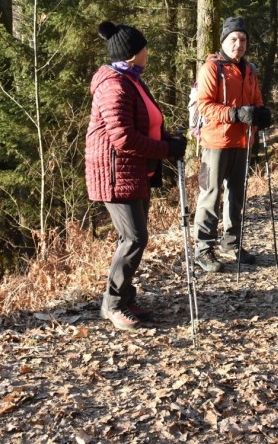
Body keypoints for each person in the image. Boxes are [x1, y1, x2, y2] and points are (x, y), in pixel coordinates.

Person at [85, 21, 187, 331]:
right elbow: (124, 139)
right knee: (134, 238)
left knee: (134, 238)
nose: (148, 52)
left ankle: (125, 299)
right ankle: (113, 304)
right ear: (132, 55)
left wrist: (169, 139)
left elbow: (147, 120)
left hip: (134, 172)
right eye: (144, 48)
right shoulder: (114, 85)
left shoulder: (132, 80)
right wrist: (165, 150)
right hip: (114, 173)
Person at [192, 17, 272, 272]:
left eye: (243, 39)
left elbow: (256, 100)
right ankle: (203, 249)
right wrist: (236, 114)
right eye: (233, 39)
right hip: (216, 141)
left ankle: (231, 243)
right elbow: (204, 104)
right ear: (224, 41)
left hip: (242, 141)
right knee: (210, 195)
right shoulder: (211, 69)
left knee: (236, 196)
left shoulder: (249, 70)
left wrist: (260, 115)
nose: (239, 44)